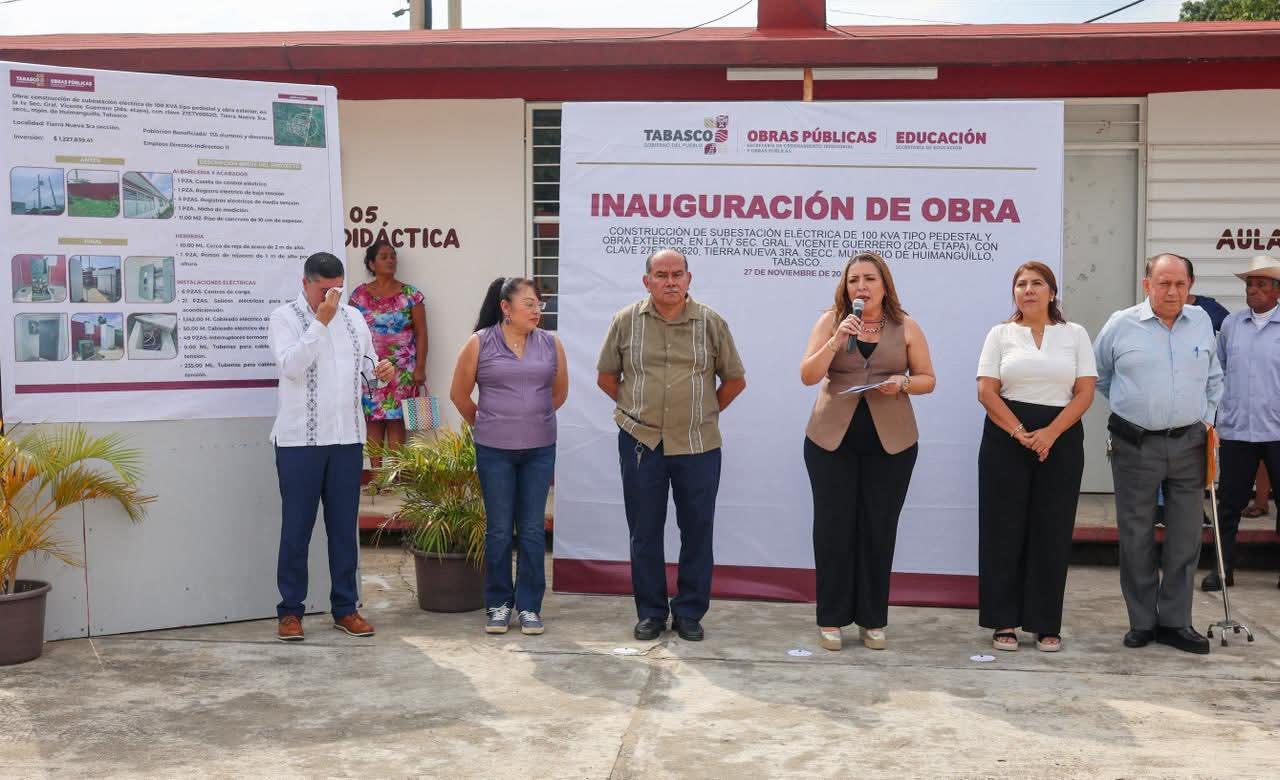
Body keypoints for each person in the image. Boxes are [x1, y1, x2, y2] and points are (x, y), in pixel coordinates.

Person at [596, 248, 746, 642]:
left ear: (689, 278)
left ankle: (690, 613)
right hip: (641, 441)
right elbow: (607, 377)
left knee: (697, 529)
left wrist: (701, 413)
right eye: (661, 275)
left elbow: (733, 380)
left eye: (677, 274)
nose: (670, 281)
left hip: (698, 443)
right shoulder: (625, 322)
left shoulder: (711, 323)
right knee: (644, 531)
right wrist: (638, 412)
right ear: (647, 281)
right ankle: (650, 612)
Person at [799, 251, 935, 651]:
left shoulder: (905, 325)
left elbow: (928, 378)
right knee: (833, 529)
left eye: (869, 279)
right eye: (854, 279)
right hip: (830, 441)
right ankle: (831, 618)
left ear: (884, 285)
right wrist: (836, 340)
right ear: (846, 286)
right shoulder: (831, 321)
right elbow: (807, 375)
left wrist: (903, 383)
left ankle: (873, 619)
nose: (861, 286)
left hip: (891, 443)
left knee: (878, 529)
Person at [1094, 253, 1223, 655]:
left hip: (1189, 444)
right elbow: (1100, 376)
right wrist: (1134, 408)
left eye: (1180, 285)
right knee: (1136, 536)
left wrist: (1203, 420)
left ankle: (1176, 622)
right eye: (1163, 283)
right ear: (1146, 284)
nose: (1172, 292)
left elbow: (1214, 378)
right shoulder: (1121, 324)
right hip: (1135, 444)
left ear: (1190, 287)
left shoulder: (1201, 321)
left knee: (1185, 537)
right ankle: (1143, 621)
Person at [268, 251, 395, 642]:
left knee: (343, 529)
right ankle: (291, 611)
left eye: (338, 289)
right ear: (305, 283)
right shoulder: (284, 318)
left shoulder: (355, 319)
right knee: (297, 528)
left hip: (346, 437)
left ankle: (346, 607)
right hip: (300, 441)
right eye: (325, 290)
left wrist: (381, 370)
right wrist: (320, 322)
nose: (332, 298)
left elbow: (369, 369)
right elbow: (290, 366)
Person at [976, 262, 1096, 653]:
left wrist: (1049, 434)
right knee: (1003, 529)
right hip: (1006, 436)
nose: (1028, 290)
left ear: (1052, 291)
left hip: (1059, 437)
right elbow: (987, 391)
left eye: (1037, 283)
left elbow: (1084, 392)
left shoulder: (1074, 334)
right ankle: (1003, 621)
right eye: (1021, 284)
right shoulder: (1000, 333)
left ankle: (1046, 622)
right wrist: (1019, 432)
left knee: (1052, 530)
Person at [450, 277, 567, 635]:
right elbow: (459, 395)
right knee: (500, 530)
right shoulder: (480, 343)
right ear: (506, 307)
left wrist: (532, 420)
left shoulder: (550, 343)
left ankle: (530, 606)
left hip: (539, 449)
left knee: (532, 530)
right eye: (529, 303)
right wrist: (489, 423)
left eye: (538, 304)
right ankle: (498, 604)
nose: (536, 310)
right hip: (494, 451)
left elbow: (559, 393)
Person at [1202, 254, 1280, 592]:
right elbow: (1215, 371)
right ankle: (1222, 570)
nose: (1253, 289)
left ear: (1277, 290)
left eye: (1261, 284)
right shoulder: (1232, 325)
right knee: (1228, 505)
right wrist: (1214, 415)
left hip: (1277, 431)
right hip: (1236, 431)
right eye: (1250, 284)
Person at [349, 240, 428, 470]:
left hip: (402, 369)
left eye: (393, 256)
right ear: (371, 264)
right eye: (384, 257)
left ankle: (393, 476)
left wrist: (420, 367)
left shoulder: (411, 294)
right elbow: (349, 331)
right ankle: (376, 476)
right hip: (370, 367)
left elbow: (421, 333)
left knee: (395, 419)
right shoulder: (359, 295)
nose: (391, 260)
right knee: (373, 419)